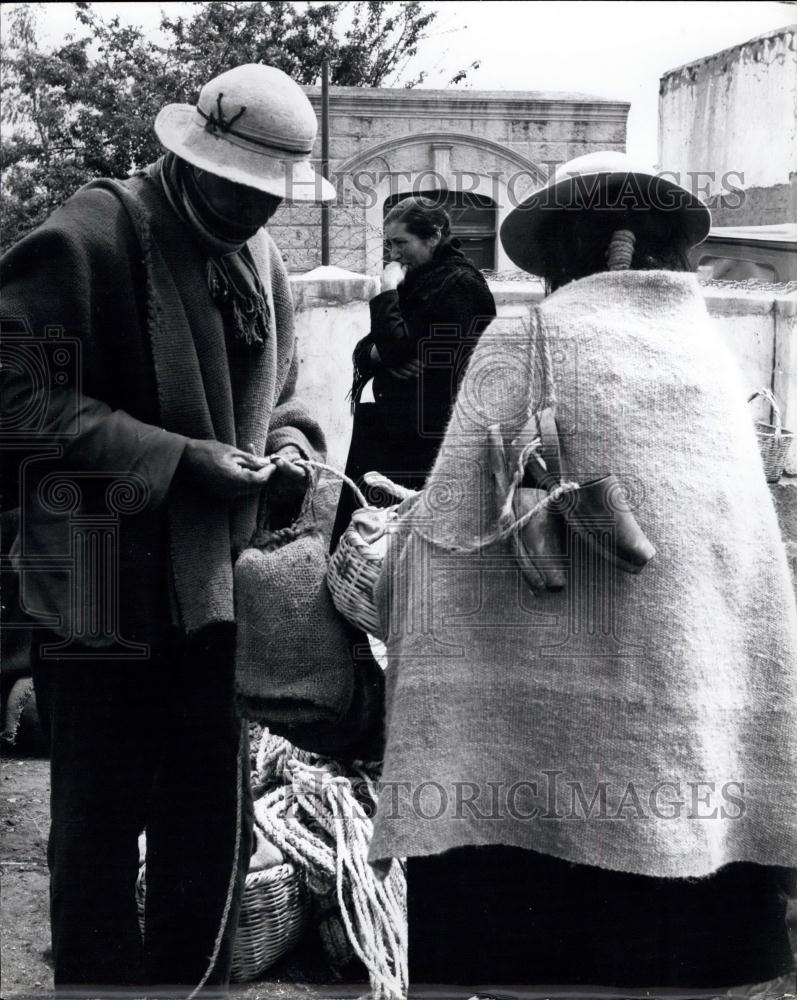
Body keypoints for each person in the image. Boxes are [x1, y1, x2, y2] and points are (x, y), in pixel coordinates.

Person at [368, 152, 797, 990]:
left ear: (573, 248)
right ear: (656, 245)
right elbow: (740, 566)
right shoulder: (711, 359)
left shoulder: (526, 338)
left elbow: (440, 551)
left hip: (529, 779)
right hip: (685, 763)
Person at [1, 64, 335, 997]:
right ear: (188, 158)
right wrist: (178, 459)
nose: (250, 209)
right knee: (99, 832)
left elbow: (287, 391)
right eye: (234, 185)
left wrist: (289, 444)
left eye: (268, 194)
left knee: (209, 823)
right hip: (104, 585)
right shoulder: (92, 233)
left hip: (217, 590)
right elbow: (17, 397)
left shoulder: (260, 261)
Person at [330, 196, 496, 547]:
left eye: (402, 242)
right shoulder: (422, 280)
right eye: (390, 243)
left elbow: (393, 347)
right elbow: (370, 349)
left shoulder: (460, 286)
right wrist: (381, 351)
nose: (394, 254)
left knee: (404, 544)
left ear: (433, 237)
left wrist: (386, 291)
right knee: (368, 540)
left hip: (428, 440)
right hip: (394, 432)